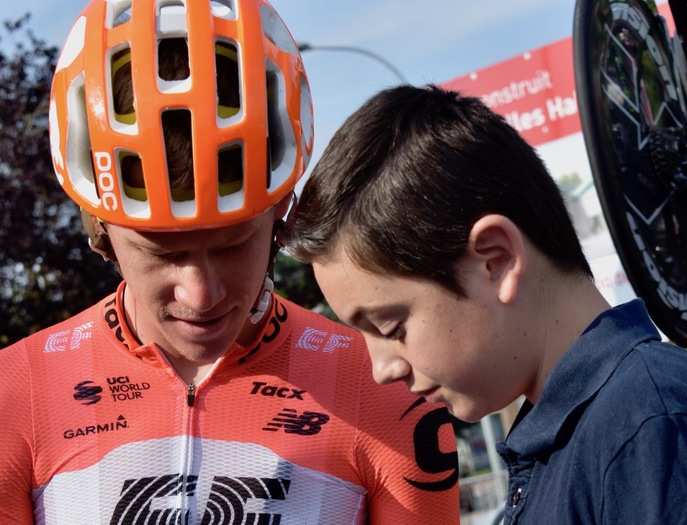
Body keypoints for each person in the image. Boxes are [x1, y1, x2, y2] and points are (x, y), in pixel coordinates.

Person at [0, 3, 461, 523]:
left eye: (234, 244)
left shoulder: (386, 388)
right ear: (101, 231)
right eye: (163, 254)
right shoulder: (15, 393)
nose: (201, 293)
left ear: (282, 215)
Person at [283, 84, 687, 524]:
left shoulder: (650, 426)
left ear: (496, 260)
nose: (381, 368)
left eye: (391, 328)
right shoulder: (583, 438)